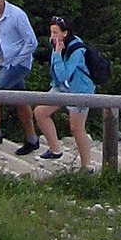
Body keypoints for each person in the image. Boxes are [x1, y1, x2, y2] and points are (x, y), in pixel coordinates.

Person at [0, 0, 40, 153]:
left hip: (16, 64)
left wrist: (15, 60)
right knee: (20, 100)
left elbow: (32, 42)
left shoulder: (17, 15)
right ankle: (31, 138)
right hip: (2, 63)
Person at [33, 16, 96, 167]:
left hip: (79, 90)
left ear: (65, 33)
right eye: (51, 32)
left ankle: (86, 166)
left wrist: (57, 54)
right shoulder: (56, 43)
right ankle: (55, 150)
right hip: (61, 86)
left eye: (56, 33)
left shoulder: (77, 49)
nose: (52, 36)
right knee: (40, 112)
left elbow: (64, 73)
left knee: (76, 128)